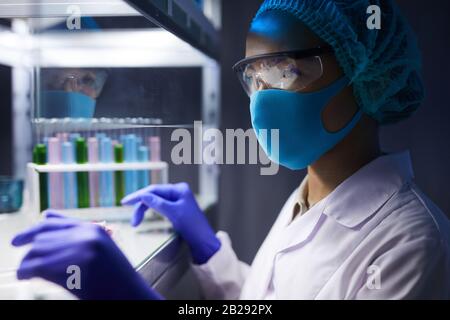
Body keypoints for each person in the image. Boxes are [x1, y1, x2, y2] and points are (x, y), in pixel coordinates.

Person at [12, 0, 449, 300]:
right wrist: (209, 253)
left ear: (365, 72)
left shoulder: (414, 244)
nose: (262, 99)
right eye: (254, 77)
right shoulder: (309, 199)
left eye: (285, 71)